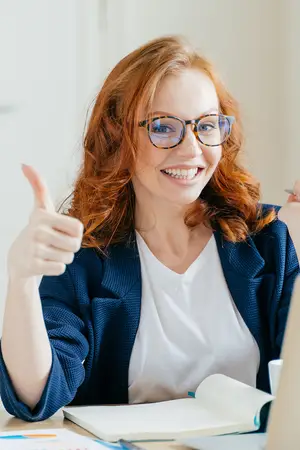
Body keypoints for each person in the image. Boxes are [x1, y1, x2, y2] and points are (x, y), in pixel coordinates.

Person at [0, 36, 299, 422]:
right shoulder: (84, 258)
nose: (191, 148)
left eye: (206, 126)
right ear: (117, 137)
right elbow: (35, 396)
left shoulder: (269, 239)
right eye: (163, 127)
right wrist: (21, 279)